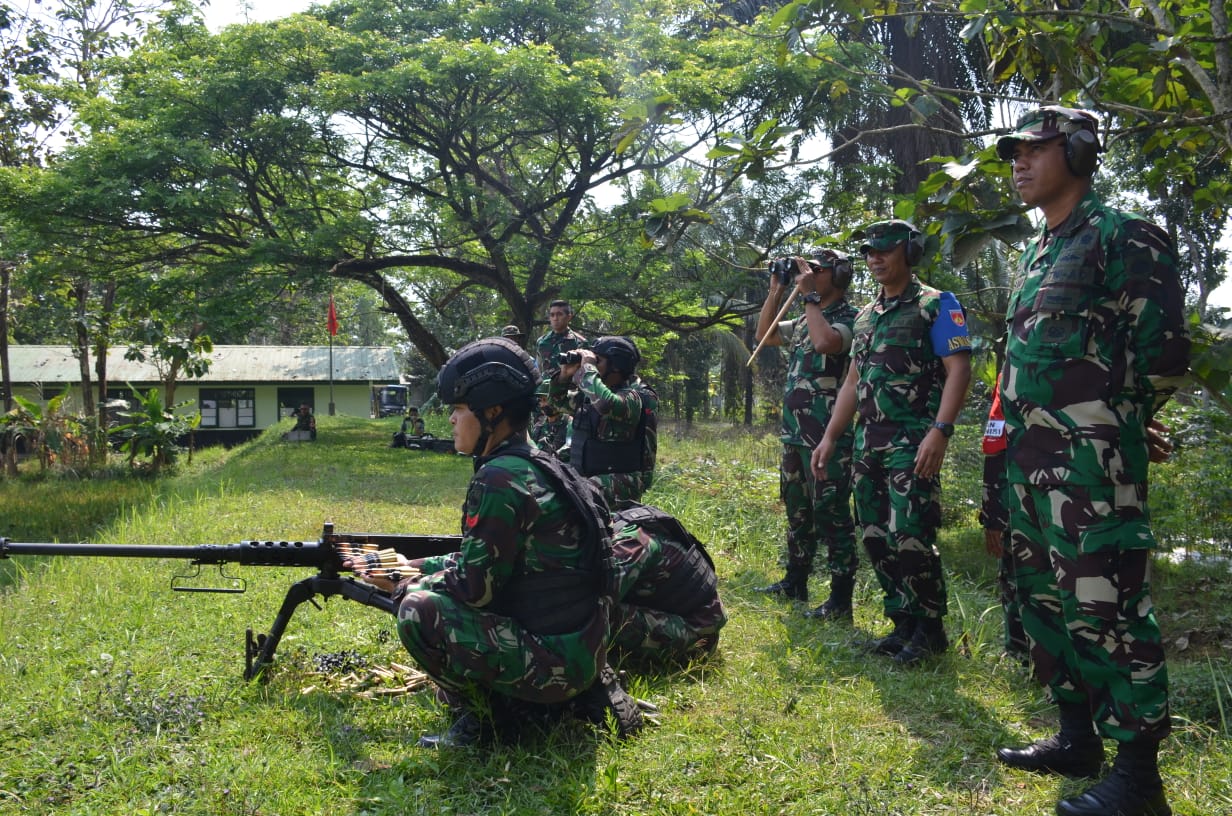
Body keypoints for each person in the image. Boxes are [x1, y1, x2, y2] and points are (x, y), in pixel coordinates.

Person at [991, 105, 1190, 816]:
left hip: (1091, 467)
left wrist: (1124, 422)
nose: (1018, 162)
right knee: (1046, 604)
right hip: (1029, 462)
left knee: (1109, 609)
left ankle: (1139, 781)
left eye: (1034, 150)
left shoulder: (1122, 235)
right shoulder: (1040, 250)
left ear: (1077, 152)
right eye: (1012, 151)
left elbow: (1165, 353)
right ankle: (1077, 737)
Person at [346, 337, 642, 747]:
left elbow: (475, 589)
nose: (450, 420)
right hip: (579, 651)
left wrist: (401, 583)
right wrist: (412, 565)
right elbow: (491, 561)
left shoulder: (500, 478)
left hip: (557, 664)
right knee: (417, 588)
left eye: (458, 409)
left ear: (492, 412)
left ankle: (489, 720)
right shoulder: (537, 462)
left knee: (416, 610)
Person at [811, 219, 971, 666]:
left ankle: (930, 629)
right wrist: (829, 437)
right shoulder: (865, 316)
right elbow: (852, 382)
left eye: (885, 250)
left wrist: (940, 431)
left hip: (914, 440)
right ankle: (902, 622)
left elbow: (959, 370)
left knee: (911, 535)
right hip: (869, 445)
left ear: (910, 253)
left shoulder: (936, 305)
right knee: (875, 536)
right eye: (868, 252)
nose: (875, 259)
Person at [753, 248, 860, 619]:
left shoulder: (853, 318)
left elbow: (827, 343)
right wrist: (775, 291)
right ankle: (795, 580)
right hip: (795, 435)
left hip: (829, 436)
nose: (808, 275)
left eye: (816, 269)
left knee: (831, 515)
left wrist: (810, 297)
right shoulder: (803, 318)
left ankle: (840, 599)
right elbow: (764, 336)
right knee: (798, 513)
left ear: (839, 275)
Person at [608, 503, 726, 668]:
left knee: (598, 614)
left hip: (698, 636)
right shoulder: (611, 523)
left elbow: (596, 600)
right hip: (673, 612)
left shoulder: (629, 543)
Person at [552, 335, 659, 507]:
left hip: (619, 481)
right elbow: (556, 404)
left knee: (577, 498)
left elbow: (606, 404)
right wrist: (563, 377)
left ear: (616, 366)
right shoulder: (594, 394)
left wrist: (587, 368)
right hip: (588, 474)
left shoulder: (634, 397)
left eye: (597, 361)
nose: (592, 365)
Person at [980, 373, 1028, 661]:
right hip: (1012, 486)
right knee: (1014, 572)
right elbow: (995, 444)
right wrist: (992, 514)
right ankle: (1019, 651)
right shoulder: (1010, 373)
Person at [535, 299, 589, 378]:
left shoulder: (580, 342)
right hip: (546, 388)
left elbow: (585, 372)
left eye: (559, 314)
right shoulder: (542, 341)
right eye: (552, 315)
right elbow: (539, 368)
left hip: (570, 388)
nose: (555, 318)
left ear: (569, 317)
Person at [530, 379, 569, 456]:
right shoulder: (539, 425)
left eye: (545, 400)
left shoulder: (569, 424)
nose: (542, 404)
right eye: (540, 400)